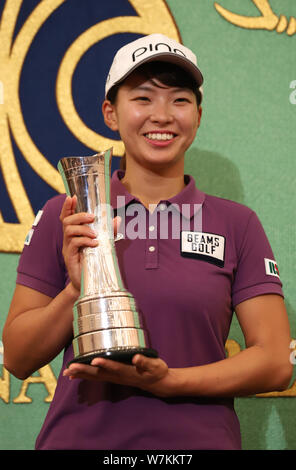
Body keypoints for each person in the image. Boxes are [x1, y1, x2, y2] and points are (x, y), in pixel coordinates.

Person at [2, 33, 293, 450]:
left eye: (179, 100)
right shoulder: (68, 213)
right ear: (111, 113)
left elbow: (275, 361)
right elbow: (17, 358)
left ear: (198, 114)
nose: (163, 115)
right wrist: (75, 289)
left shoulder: (237, 224)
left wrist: (170, 382)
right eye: (143, 98)